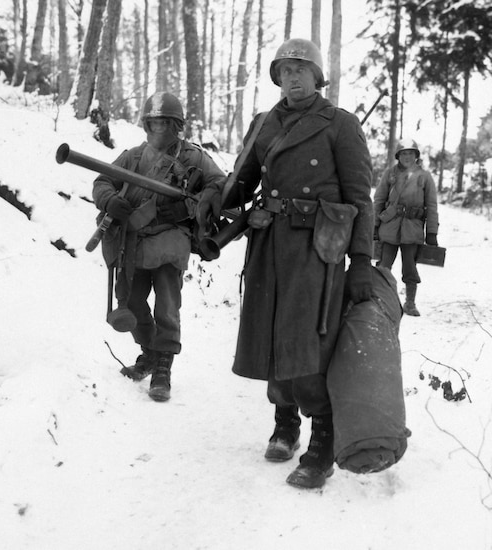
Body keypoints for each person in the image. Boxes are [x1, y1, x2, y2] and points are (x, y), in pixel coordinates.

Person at [213, 38, 374, 489]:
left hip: (318, 246)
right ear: (278, 77)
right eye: (285, 70)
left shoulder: (340, 124)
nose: (294, 77)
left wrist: (361, 259)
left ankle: (322, 440)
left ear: (318, 77)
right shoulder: (264, 123)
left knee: (309, 340)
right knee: (269, 333)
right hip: (269, 242)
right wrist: (217, 200)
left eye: (302, 70)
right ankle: (285, 423)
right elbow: (240, 184)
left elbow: (361, 197)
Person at [92, 92, 226, 402]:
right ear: (145, 125)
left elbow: (218, 185)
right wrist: (111, 200)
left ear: (177, 126)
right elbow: (103, 181)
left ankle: (164, 365)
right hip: (133, 241)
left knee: (167, 306)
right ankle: (150, 352)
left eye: (166, 123)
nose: (159, 130)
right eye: (154, 123)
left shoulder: (194, 158)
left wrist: (194, 205)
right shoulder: (133, 157)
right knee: (132, 302)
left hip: (171, 241)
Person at [373, 138, 439, 317]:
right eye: (403, 153)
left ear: (416, 156)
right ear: (398, 156)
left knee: (410, 267)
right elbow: (378, 200)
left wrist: (431, 232)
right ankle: (379, 300)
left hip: (412, 229)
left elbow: (432, 206)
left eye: (410, 153)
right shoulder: (390, 174)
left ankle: (410, 303)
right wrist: (374, 225)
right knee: (383, 266)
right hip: (389, 227)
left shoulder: (425, 177)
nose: (407, 157)